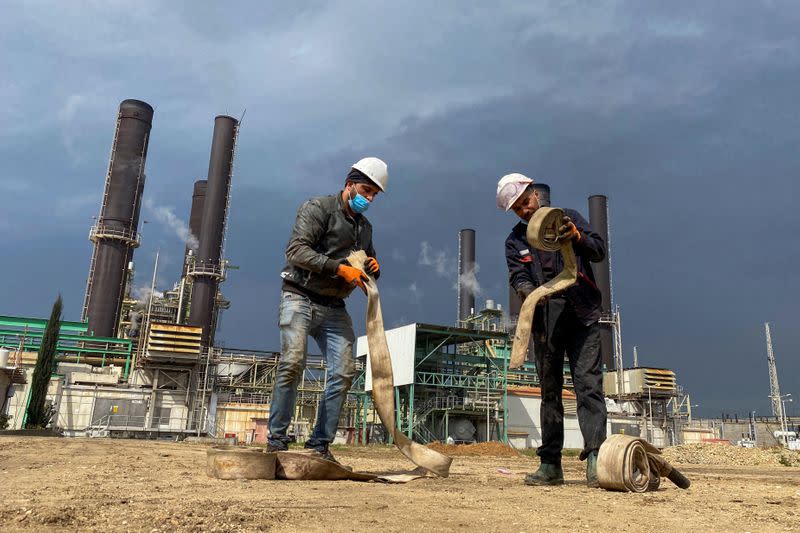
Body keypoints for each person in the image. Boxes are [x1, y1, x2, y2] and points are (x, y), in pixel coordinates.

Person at [267, 157, 388, 463]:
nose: (369, 198)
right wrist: (339, 269)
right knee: (293, 362)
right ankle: (277, 441)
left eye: (374, 194)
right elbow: (296, 251)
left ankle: (319, 446)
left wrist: (373, 269)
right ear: (349, 185)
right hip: (300, 296)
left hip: (335, 306)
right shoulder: (317, 209)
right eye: (365, 190)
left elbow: (364, 266)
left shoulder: (365, 229)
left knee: (344, 372)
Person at [496, 173, 607, 487]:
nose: (524, 210)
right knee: (550, 392)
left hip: (582, 312)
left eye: (525, 201)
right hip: (546, 318)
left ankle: (596, 459)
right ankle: (550, 465)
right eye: (517, 209)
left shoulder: (567, 219)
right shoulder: (515, 241)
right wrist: (528, 292)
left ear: (534, 193)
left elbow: (598, 250)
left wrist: (576, 238)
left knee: (588, 386)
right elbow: (518, 275)